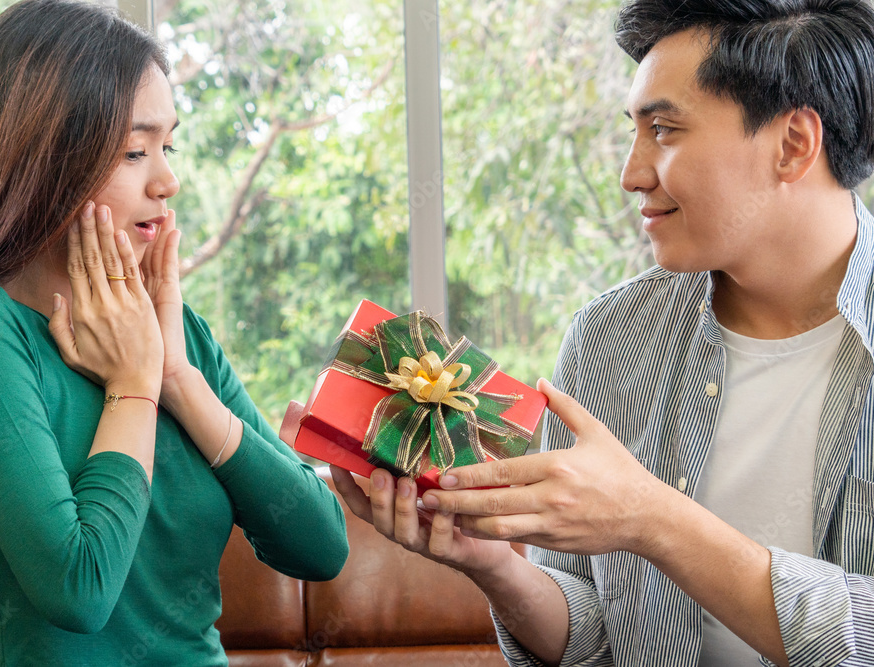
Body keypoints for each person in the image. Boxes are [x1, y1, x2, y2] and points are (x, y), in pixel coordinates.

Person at [332, 0, 874, 665]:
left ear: (792, 144)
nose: (631, 173)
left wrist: (651, 517)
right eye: (634, 132)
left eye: (665, 130)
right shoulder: (608, 338)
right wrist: (498, 567)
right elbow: (593, 634)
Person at [0, 1, 348, 664]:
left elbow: (322, 546)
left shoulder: (174, 329)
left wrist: (176, 378)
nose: (168, 179)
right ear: (42, 159)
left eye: (167, 145)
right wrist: (132, 387)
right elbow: (78, 587)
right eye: (134, 150)